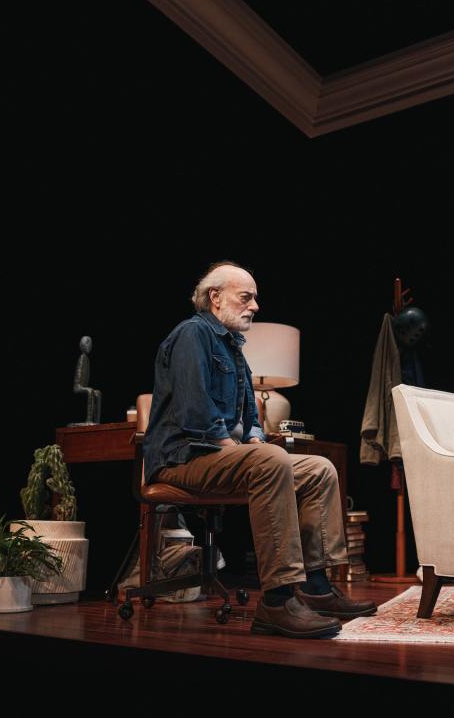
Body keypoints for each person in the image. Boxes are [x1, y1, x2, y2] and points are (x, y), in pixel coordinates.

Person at [142, 261, 376, 638]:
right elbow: (195, 414)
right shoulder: (192, 335)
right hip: (183, 458)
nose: (255, 306)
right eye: (246, 297)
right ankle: (277, 601)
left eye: (255, 298)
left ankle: (315, 587)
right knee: (270, 459)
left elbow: (250, 416)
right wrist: (244, 451)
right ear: (215, 298)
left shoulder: (233, 346)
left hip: (219, 455)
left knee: (319, 469)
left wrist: (251, 441)